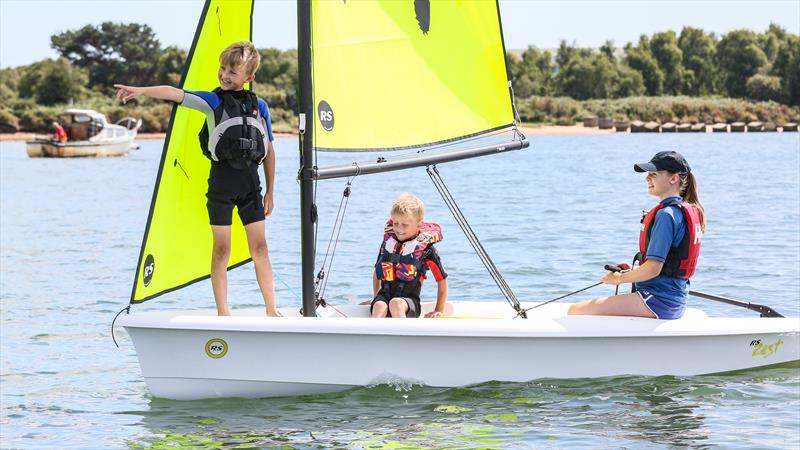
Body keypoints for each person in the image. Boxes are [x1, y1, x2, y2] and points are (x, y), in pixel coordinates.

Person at [114, 41, 278, 317]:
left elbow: (270, 151)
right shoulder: (212, 101)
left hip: (251, 184)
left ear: (249, 77)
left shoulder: (259, 106)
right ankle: (223, 312)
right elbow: (175, 94)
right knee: (222, 250)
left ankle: (272, 310)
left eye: (233, 72)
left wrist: (270, 192)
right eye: (222, 68)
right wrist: (140, 91)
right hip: (222, 184)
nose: (224, 75)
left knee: (260, 248)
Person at [568, 150, 705, 319]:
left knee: (575, 311)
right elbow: (667, 265)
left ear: (673, 178)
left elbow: (653, 269)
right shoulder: (684, 210)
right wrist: (632, 271)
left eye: (654, 174)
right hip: (674, 300)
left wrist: (618, 279)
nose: (647, 178)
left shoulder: (666, 215)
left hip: (658, 301)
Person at [371, 193, 448, 318]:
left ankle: (402, 335)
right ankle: (374, 335)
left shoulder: (427, 250)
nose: (399, 229)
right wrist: (375, 298)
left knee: (396, 303)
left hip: (409, 302)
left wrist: (439, 310)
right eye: (395, 223)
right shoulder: (388, 243)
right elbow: (377, 271)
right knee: (379, 306)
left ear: (418, 225)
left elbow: (441, 280)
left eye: (405, 225)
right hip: (384, 297)